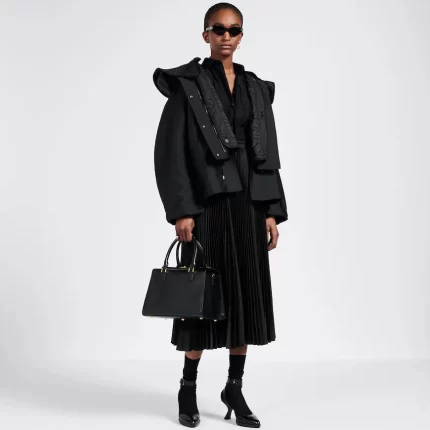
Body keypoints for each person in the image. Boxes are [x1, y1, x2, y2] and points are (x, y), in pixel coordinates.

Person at [152, 3, 288, 427]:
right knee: (200, 298)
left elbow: (268, 154)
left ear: (241, 36)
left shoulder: (255, 88)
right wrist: (182, 210)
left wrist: (270, 211)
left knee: (243, 296)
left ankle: (234, 387)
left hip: (248, 203)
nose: (226, 36)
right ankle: (188, 386)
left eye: (234, 29)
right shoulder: (188, 86)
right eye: (218, 29)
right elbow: (170, 153)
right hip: (206, 205)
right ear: (206, 34)